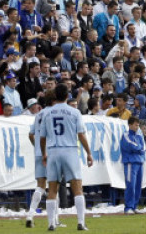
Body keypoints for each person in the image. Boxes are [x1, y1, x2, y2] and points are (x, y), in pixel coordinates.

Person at [40, 83, 93, 232]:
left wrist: (44, 153)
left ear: (55, 95)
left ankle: (51, 223)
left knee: (52, 189)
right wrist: (88, 152)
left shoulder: (47, 113)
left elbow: (42, 137)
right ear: (67, 95)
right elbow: (81, 134)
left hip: (53, 151)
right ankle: (81, 223)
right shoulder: (74, 112)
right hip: (69, 150)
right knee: (77, 187)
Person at [25, 103, 48, 228]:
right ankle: (54, 220)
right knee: (54, 187)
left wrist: (37, 148)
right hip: (51, 152)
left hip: (39, 153)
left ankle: (30, 214)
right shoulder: (53, 113)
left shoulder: (38, 115)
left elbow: (30, 134)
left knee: (40, 186)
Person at [120, 116, 146, 214]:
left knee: (138, 186)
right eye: (136, 125)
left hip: (139, 162)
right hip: (130, 163)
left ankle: (134, 206)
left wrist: (138, 149)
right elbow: (131, 146)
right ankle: (128, 208)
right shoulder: (126, 135)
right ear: (130, 125)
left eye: (138, 125)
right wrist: (139, 149)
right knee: (130, 185)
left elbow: (143, 148)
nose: (137, 127)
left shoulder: (139, 136)